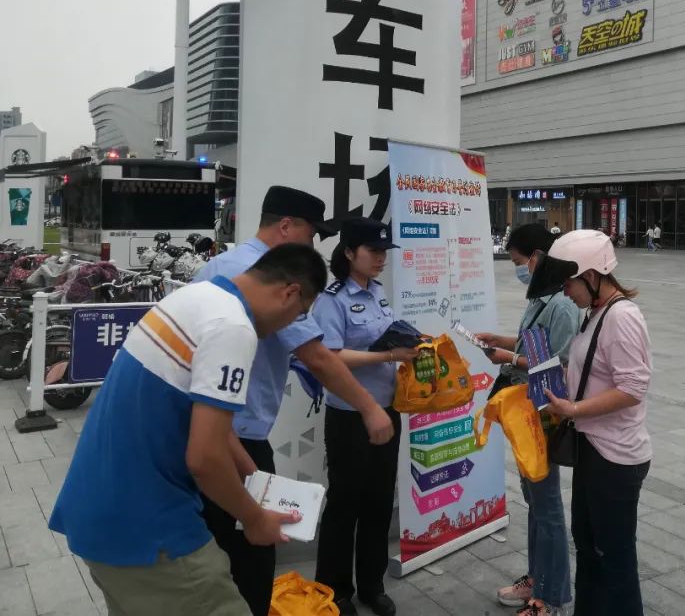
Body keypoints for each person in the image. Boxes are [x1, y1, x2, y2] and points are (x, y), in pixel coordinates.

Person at [49, 245, 328, 616]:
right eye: (300, 314)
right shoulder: (233, 328)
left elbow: (211, 427)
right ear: (290, 293)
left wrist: (257, 480)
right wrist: (255, 519)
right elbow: (205, 459)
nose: (291, 325)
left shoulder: (196, 298)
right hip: (152, 529)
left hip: (98, 513)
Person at [195, 186, 394, 616]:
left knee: (216, 551)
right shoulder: (270, 279)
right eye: (311, 234)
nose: (313, 244)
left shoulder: (216, 267)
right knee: (253, 558)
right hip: (237, 433)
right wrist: (369, 407)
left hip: (214, 429)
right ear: (286, 226)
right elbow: (318, 356)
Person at [529, 229, 652, 616]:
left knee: (613, 555)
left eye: (568, 284)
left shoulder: (622, 317)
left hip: (615, 457)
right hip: (592, 449)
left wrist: (574, 410)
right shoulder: (595, 315)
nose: (565, 293)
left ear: (592, 275)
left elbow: (633, 388)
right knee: (587, 544)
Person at [312, 217, 417, 616]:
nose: (380, 259)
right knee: (345, 504)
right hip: (350, 417)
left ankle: (372, 585)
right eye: (373, 251)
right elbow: (330, 357)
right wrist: (389, 354)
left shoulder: (378, 292)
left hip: (388, 411)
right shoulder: (332, 300)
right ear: (348, 252)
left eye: (383, 252)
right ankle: (335, 590)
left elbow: (386, 337)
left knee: (378, 501)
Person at [477, 224, 579, 616]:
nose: (519, 269)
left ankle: (552, 598)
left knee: (547, 507)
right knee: (536, 502)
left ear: (537, 257)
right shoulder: (542, 297)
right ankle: (538, 579)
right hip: (526, 411)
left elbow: (561, 365)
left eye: (519, 261)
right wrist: (501, 341)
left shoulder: (562, 304)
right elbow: (533, 348)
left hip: (545, 413)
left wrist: (510, 358)